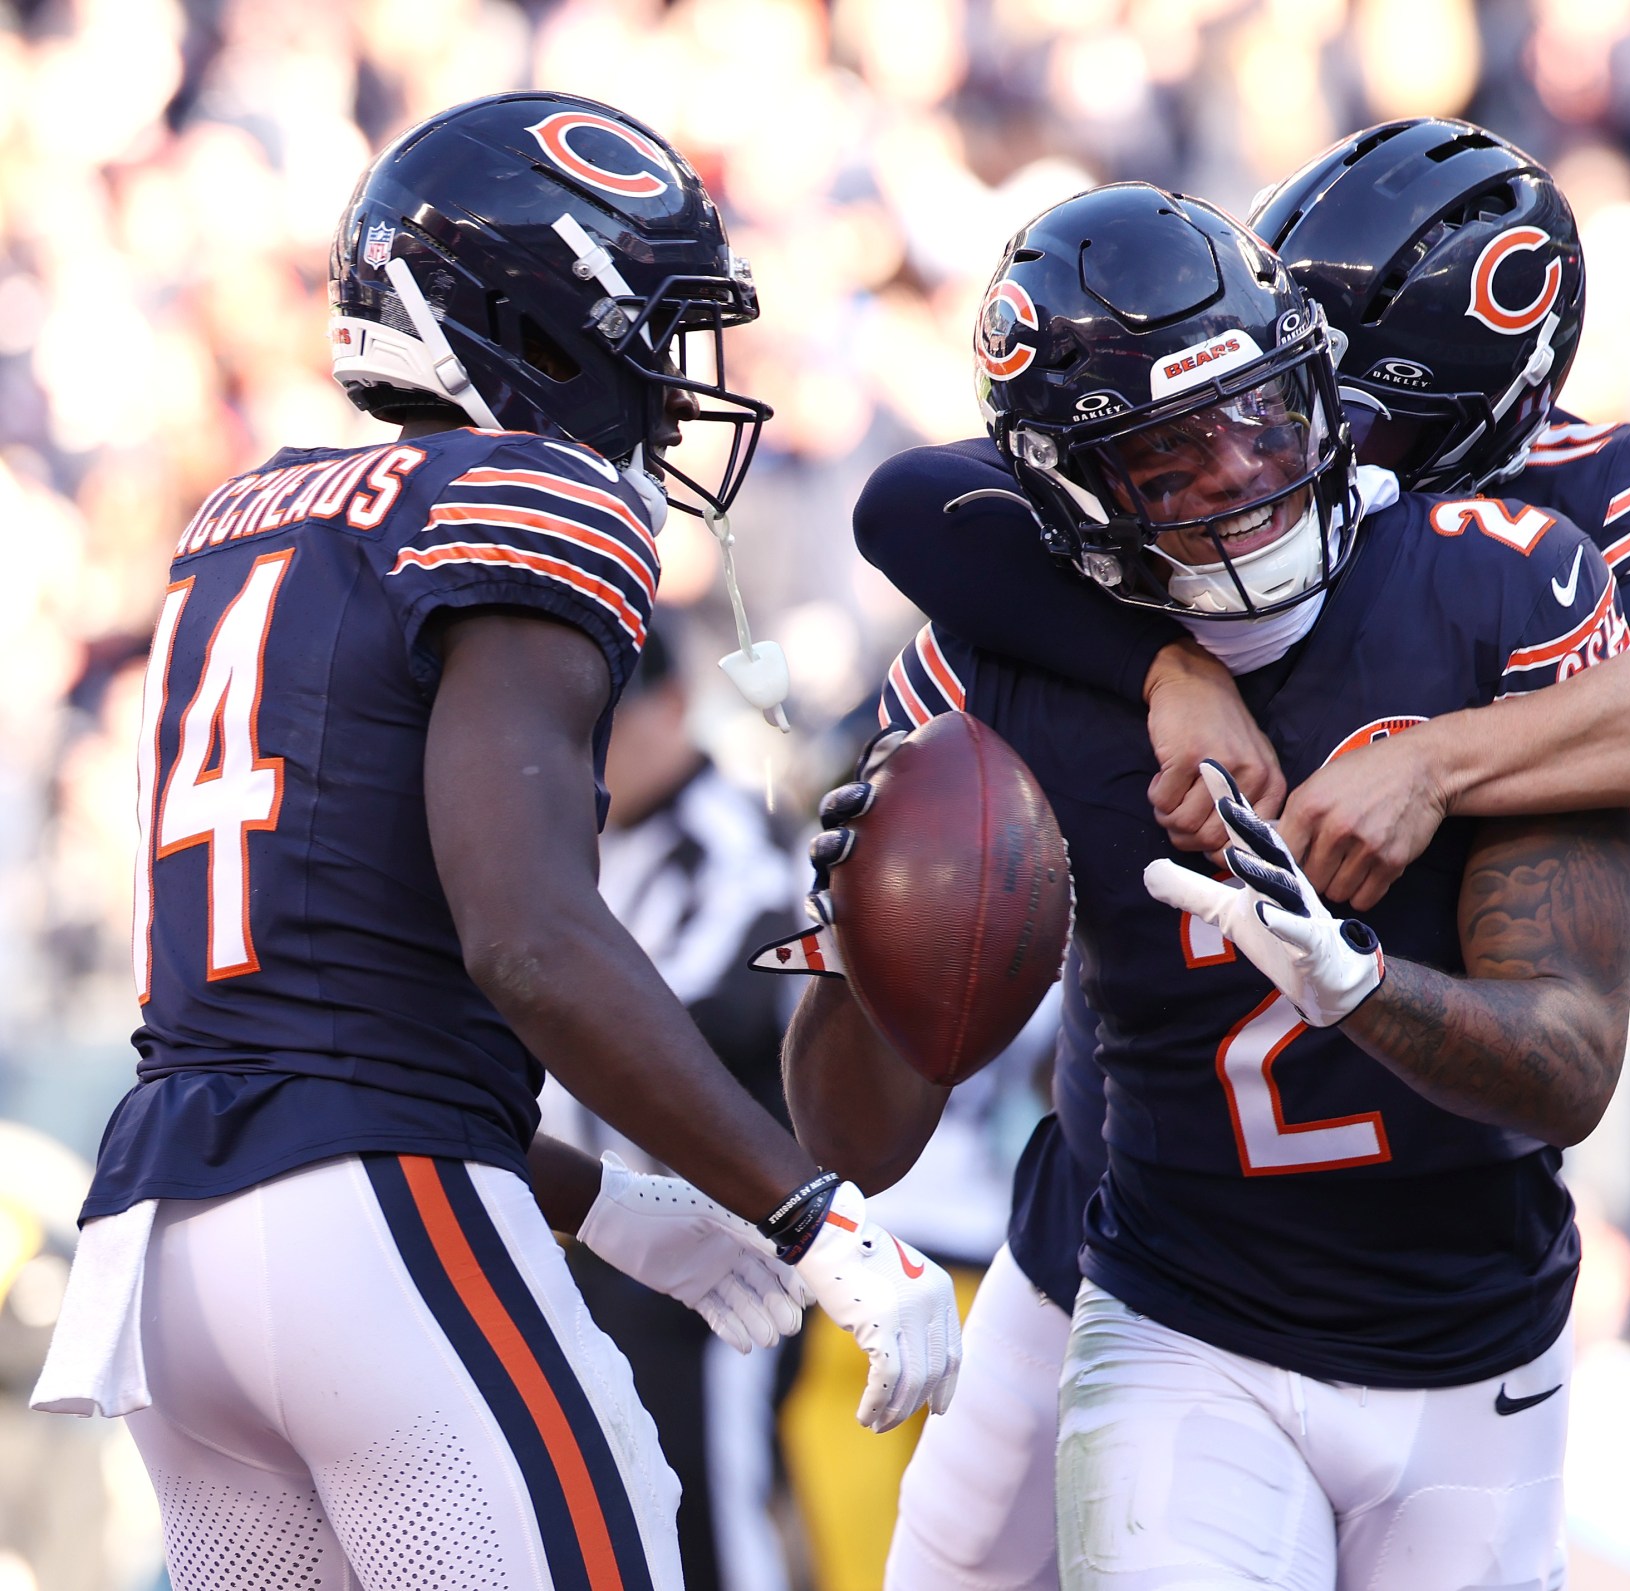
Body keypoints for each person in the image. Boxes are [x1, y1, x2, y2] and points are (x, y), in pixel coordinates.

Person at [842, 122, 1630, 1591]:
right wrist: (1167, 663)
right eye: (1204, 431)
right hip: (1136, 1218)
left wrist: (1434, 757)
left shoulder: (1550, 529)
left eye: (1320, 411)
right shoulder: (1085, 554)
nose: (1261, 463)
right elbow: (917, 502)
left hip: (1444, 1244)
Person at [29, 93, 956, 1591]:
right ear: (545, 333)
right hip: (380, 1237)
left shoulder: (240, 519)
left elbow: (303, 1015)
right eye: (652, 342)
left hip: (173, 1248)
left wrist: (603, 1194)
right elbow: (521, 933)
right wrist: (806, 1209)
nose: (670, 396)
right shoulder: (522, 495)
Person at [540, 618, 808, 1591]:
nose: (587, 755)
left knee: (711, 1515)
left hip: (720, 1237)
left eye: (606, 724)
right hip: (596, 1232)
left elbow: (694, 1021)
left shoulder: (727, 841)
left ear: (673, 704)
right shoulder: (573, 840)